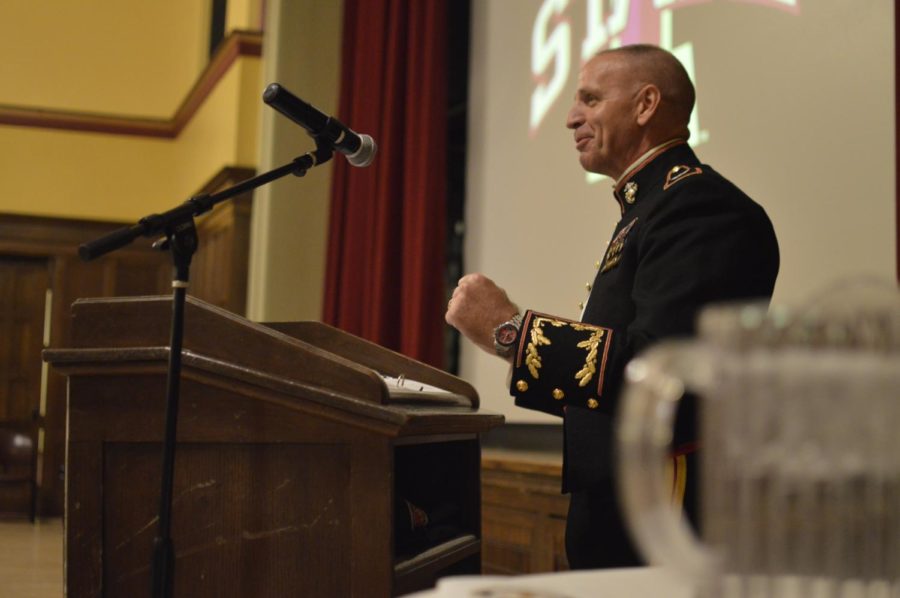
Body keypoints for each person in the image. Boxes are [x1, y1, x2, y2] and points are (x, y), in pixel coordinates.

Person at [445, 44, 779, 569]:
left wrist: (511, 329)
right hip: (624, 492)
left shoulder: (700, 208)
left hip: (661, 499)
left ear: (645, 105)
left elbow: (660, 373)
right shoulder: (650, 207)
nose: (571, 117)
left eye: (590, 99)